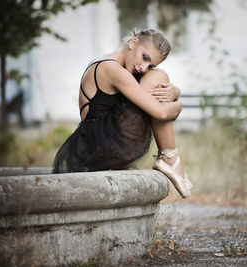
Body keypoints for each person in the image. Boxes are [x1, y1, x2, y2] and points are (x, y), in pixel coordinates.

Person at [53, 29, 192, 198]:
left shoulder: (121, 67)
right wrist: (179, 104)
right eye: (145, 57)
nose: (143, 68)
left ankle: (169, 158)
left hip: (99, 145)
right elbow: (162, 113)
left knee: (157, 78)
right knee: (158, 77)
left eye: (150, 65)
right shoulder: (111, 68)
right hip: (102, 146)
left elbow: (157, 109)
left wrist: (174, 93)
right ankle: (169, 157)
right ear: (133, 43)